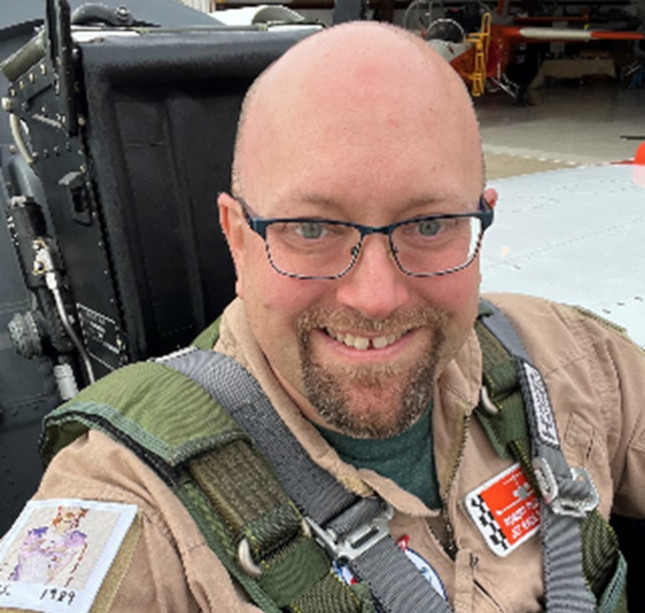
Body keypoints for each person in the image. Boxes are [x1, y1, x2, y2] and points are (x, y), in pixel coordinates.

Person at [1, 21, 644, 613]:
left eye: (429, 225)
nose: (376, 297)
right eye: (311, 228)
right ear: (237, 239)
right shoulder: (133, 501)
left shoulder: (570, 361)